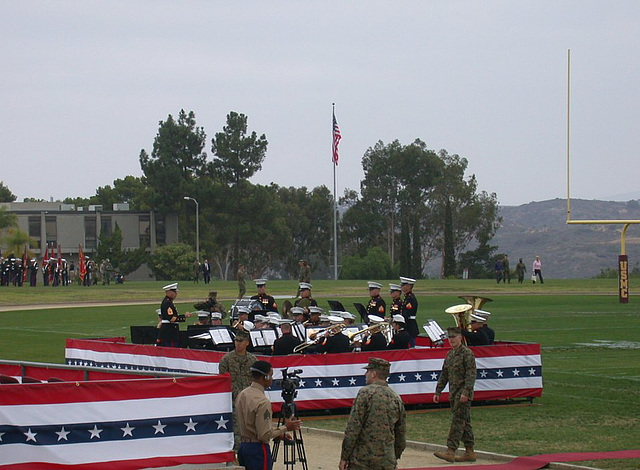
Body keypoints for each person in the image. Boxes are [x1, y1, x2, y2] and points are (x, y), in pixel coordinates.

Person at [339, 357, 406, 470]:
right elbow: (401, 432)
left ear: (373, 374)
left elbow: (353, 428)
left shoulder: (365, 393)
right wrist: (394, 455)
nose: (366, 374)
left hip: (362, 460)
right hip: (387, 460)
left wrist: (344, 457)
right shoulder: (396, 397)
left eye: (368, 371)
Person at [235, 360, 302, 470]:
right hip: (258, 449)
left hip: (243, 446)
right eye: (271, 375)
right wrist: (285, 427)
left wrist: (277, 433)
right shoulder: (262, 402)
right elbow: (264, 435)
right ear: (264, 377)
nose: (272, 379)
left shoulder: (243, 394)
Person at [433, 327, 477, 463]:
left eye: (454, 337)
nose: (451, 340)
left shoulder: (467, 354)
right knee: (465, 422)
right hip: (453, 393)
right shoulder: (450, 355)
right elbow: (445, 374)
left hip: (463, 393)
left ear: (460, 338)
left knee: (457, 421)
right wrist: (438, 391)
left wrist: (466, 392)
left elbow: (471, 374)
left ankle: (450, 450)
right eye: (449, 338)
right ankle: (469, 451)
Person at [219, 329, 258, 454]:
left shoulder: (252, 360)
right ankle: (237, 453)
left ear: (247, 342)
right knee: (236, 428)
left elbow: (256, 381)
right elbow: (223, 381)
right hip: (233, 400)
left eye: (241, 341)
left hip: (249, 400)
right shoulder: (227, 360)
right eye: (236, 340)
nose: (238, 343)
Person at [157, 283, 192, 347]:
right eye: (174, 292)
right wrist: (184, 316)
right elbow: (171, 318)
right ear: (169, 292)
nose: (176, 294)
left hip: (170, 331)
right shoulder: (167, 303)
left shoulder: (169, 302)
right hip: (169, 332)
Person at [400, 277, 419, 346]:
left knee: (411, 344)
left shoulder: (410, 299)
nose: (401, 287)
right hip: (408, 324)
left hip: (409, 325)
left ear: (408, 286)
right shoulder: (407, 298)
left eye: (403, 285)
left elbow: (407, 313)